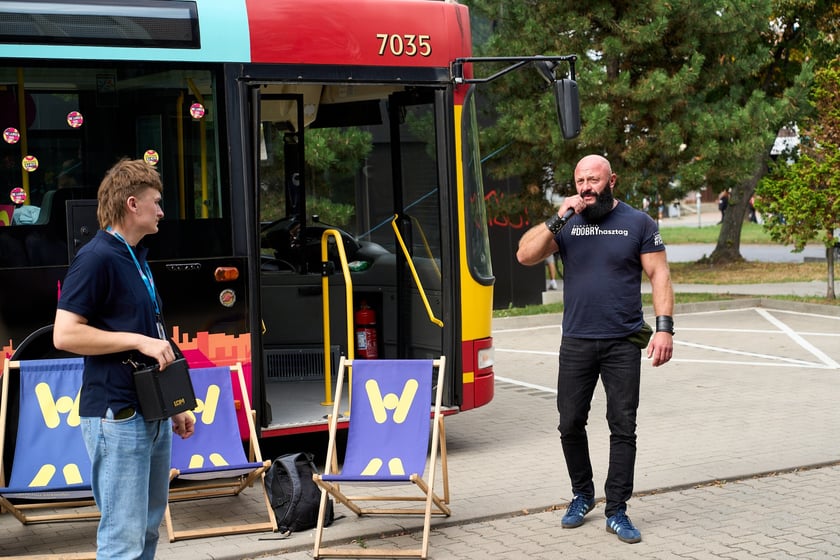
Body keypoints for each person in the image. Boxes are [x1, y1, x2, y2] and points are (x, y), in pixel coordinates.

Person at [516, 154, 674, 544]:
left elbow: (659, 274)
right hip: (577, 340)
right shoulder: (567, 222)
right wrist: (558, 216)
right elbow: (525, 255)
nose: (586, 188)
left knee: (623, 426)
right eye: (581, 181)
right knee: (569, 422)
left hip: (623, 341)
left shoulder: (638, 222)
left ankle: (617, 509)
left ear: (612, 181)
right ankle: (582, 494)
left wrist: (664, 329)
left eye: (594, 180)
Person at [53, 158, 195, 559]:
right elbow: (64, 334)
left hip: (150, 411)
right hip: (117, 415)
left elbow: (154, 335)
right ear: (133, 204)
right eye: (156, 202)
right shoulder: (96, 258)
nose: (161, 211)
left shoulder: (136, 258)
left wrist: (173, 404)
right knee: (123, 538)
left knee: (147, 530)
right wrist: (138, 340)